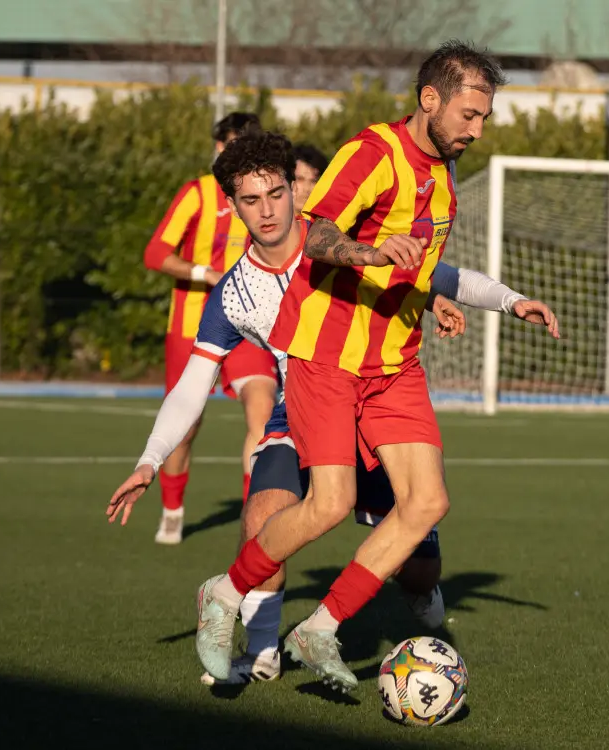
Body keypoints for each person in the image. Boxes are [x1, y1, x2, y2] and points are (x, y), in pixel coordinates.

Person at [107, 131, 559, 686]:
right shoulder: (235, 293)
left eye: (278, 192)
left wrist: (498, 300)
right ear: (232, 205)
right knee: (262, 517)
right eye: (251, 200)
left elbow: (443, 275)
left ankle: (404, 590)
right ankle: (263, 648)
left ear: (295, 189)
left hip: (369, 403)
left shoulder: (338, 244)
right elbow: (191, 385)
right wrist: (151, 459)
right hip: (300, 409)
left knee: (420, 565)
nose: (268, 210)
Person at [191, 40, 517, 690]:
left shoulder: (445, 175)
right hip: (329, 356)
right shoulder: (374, 152)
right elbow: (313, 232)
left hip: (395, 361)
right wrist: (367, 255)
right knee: (330, 504)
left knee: (427, 503)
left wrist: (441, 297)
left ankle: (320, 628)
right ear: (431, 99)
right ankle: (225, 592)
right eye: (470, 114)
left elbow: (416, 262)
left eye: (484, 118)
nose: (477, 129)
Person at [142, 112, 276, 544]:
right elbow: (155, 253)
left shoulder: (268, 197)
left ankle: (253, 525)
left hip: (251, 325)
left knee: (263, 412)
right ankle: (173, 510)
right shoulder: (197, 193)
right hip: (192, 324)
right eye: (228, 146)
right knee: (186, 425)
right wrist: (207, 273)